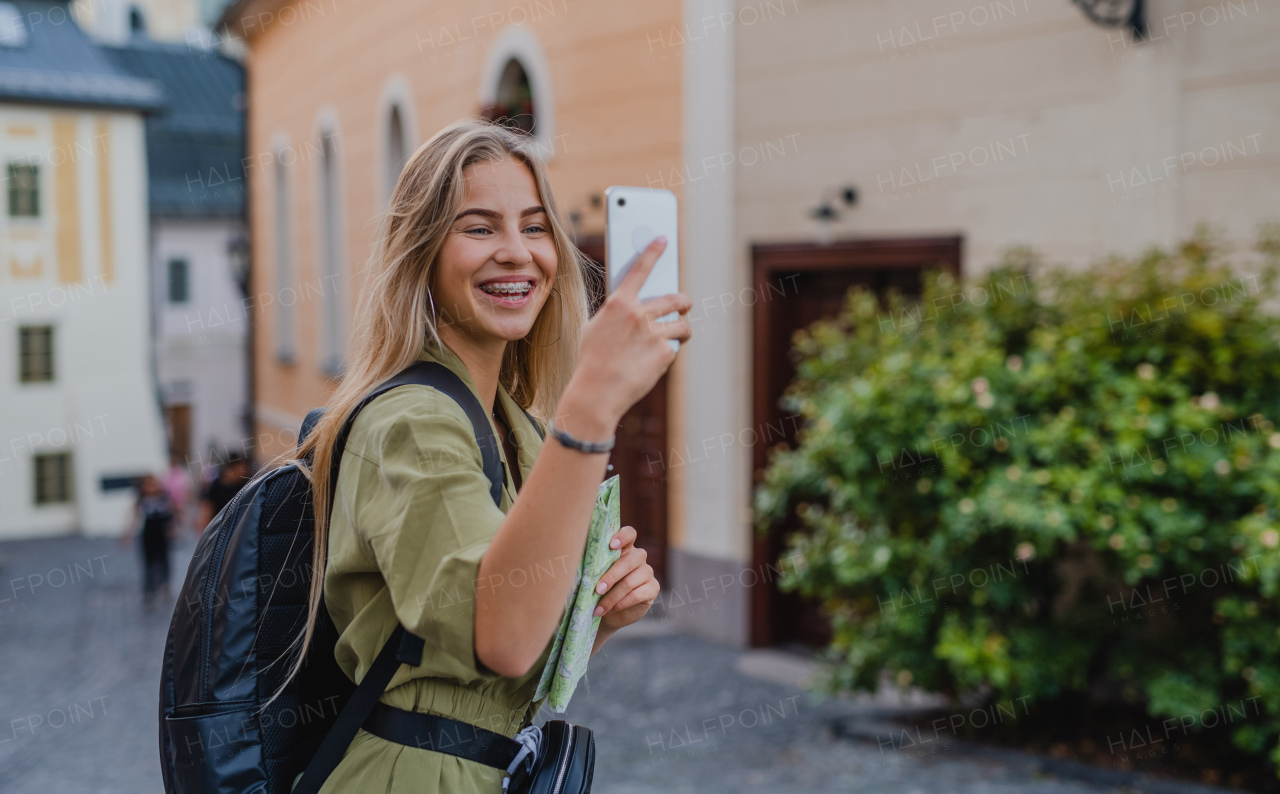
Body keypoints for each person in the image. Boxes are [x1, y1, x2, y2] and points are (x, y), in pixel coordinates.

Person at [287, 119, 692, 793]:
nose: (516, 252)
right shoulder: (410, 422)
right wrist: (590, 409)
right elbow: (497, 640)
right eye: (479, 229)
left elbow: (508, 670)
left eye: (535, 228)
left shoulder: (515, 427)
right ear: (422, 253)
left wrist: (601, 620)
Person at [121, 474, 175, 609]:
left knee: (165, 562)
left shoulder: (163, 498)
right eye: (147, 484)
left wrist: (174, 530)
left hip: (162, 536)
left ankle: (165, 585)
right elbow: (134, 517)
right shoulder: (142, 500)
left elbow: (171, 515)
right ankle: (149, 591)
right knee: (148, 565)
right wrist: (128, 534)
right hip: (148, 536)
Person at [198, 451, 249, 532]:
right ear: (232, 468)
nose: (244, 472)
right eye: (240, 468)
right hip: (218, 533)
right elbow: (206, 512)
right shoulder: (216, 488)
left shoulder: (244, 486)